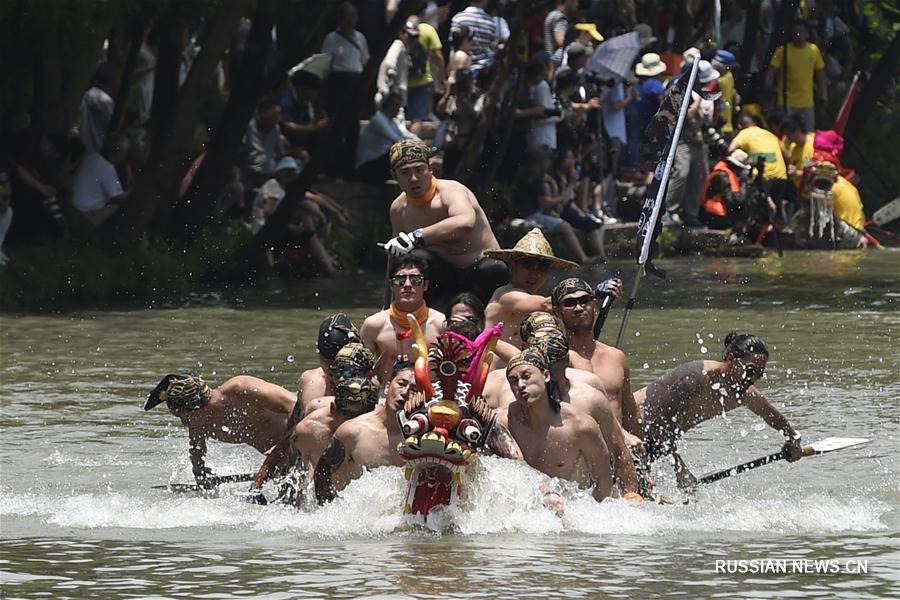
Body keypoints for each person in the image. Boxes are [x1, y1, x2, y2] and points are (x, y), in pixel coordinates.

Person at [634, 332, 803, 489]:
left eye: (758, 375)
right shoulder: (696, 378)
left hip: (654, 443)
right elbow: (660, 424)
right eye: (750, 371)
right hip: (629, 429)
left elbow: (771, 416)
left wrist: (794, 439)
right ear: (731, 359)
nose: (751, 380)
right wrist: (680, 470)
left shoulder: (743, 393)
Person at [382, 139, 509, 304]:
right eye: (405, 172)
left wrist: (416, 236)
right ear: (394, 176)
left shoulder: (452, 191)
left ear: (430, 169)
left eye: (419, 170)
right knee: (415, 258)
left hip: (481, 272)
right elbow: (395, 258)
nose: (413, 178)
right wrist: (387, 306)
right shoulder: (399, 209)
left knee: (494, 268)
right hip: (441, 278)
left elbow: (465, 222)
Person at [495, 347, 613, 512]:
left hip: (566, 514)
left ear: (546, 375)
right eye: (513, 381)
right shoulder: (502, 421)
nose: (521, 385)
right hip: (519, 513)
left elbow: (604, 483)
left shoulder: (580, 426)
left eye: (526, 376)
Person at [144, 373, 296, 488]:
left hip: (305, 443)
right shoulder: (199, 424)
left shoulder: (240, 389)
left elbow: (296, 405)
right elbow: (197, 451)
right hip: (282, 464)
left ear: (197, 408)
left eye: (184, 417)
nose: (184, 423)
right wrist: (201, 476)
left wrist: (283, 446)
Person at [313, 360, 417, 502]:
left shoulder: (422, 438)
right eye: (401, 384)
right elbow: (321, 475)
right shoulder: (353, 431)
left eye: (415, 390)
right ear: (387, 388)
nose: (405, 393)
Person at [551, 278, 641, 438]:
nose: (578, 307)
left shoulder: (616, 356)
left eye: (584, 300)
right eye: (570, 303)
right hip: (583, 449)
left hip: (620, 449)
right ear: (557, 311)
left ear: (594, 303)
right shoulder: (559, 360)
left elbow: (630, 414)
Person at [286, 375, 380, 504]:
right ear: (333, 409)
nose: (351, 425)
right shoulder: (308, 430)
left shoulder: (379, 429)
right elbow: (290, 475)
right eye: (347, 417)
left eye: (357, 418)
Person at [484, 227, 576, 348]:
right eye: (528, 264)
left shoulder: (532, 300)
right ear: (513, 265)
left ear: (548, 271)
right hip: (494, 367)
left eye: (542, 267)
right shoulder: (506, 296)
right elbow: (547, 305)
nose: (534, 273)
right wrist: (591, 295)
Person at [360, 254, 445, 384]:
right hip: (385, 396)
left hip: (431, 396)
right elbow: (361, 372)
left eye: (415, 280)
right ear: (391, 286)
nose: (407, 285)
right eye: (400, 280)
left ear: (425, 285)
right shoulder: (374, 325)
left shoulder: (441, 324)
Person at [321, 2, 370, 178]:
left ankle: (350, 169)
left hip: (355, 82)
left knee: (353, 128)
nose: (351, 20)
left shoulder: (360, 38)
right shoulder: (331, 38)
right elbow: (326, 62)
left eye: (354, 16)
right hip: (338, 83)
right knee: (335, 126)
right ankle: (332, 169)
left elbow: (365, 61)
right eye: (348, 16)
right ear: (341, 18)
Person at [765, 18, 827, 131]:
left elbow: (820, 75)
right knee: (786, 133)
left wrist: (823, 94)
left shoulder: (813, 50)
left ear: (807, 33)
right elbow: (771, 71)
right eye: (795, 31)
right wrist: (768, 92)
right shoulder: (782, 51)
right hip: (785, 101)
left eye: (801, 31)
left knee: (808, 134)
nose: (798, 34)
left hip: (806, 101)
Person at [729, 113, 791, 218]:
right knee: (777, 205)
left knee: (762, 208)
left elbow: (729, 150)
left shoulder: (744, 133)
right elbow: (788, 155)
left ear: (739, 126)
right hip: (781, 176)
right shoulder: (770, 134)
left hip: (763, 177)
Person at [356, 92, 419, 183]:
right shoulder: (378, 119)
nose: (398, 108)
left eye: (399, 105)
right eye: (395, 105)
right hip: (367, 166)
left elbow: (406, 134)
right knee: (399, 152)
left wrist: (420, 143)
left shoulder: (393, 121)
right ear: (387, 105)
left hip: (379, 162)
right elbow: (396, 139)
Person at [71, 132, 129, 226]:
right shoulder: (107, 167)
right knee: (117, 207)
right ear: (120, 152)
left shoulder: (91, 157)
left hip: (74, 207)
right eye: (125, 152)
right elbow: (118, 198)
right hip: (85, 213)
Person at [238, 95, 284, 190]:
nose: (278, 118)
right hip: (247, 173)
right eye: (275, 114)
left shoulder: (275, 129)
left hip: (268, 174)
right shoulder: (248, 126)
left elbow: (280, 151)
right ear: (263, 112)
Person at [699, 148, 753, 230]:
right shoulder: (722, 176)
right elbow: (733, 201)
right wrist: (745, 185)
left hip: (718, 213)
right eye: (741, 169)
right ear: (736, 166)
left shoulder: (729, 174)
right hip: (713, 215)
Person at [406, 12, 446, 122]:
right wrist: (442, 77)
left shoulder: (402, 28)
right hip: (422, 79)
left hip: (403, 79)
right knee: (418, 118)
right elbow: (438, 56)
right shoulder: (428, 29)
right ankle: (415, 139)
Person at [449, 0, 502, 78]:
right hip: (483, 73)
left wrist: (451, 69)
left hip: (461, 70)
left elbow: (453, 47)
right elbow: (493, 48)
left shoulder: (458, 18)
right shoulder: (491, 22)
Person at [375, 21, 419, 108]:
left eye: (415, 37)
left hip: (397, 98)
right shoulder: (397, 46)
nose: (412, 39)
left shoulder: (406, 49)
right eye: (409, 36)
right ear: (401, 33)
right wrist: (389, 81)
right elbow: (388, 64)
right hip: (391, 97)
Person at [79, 63, 116, 154]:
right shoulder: (106, 101)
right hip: (98, 149)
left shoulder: (87, 94)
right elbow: (113, 127)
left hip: (83, 147)